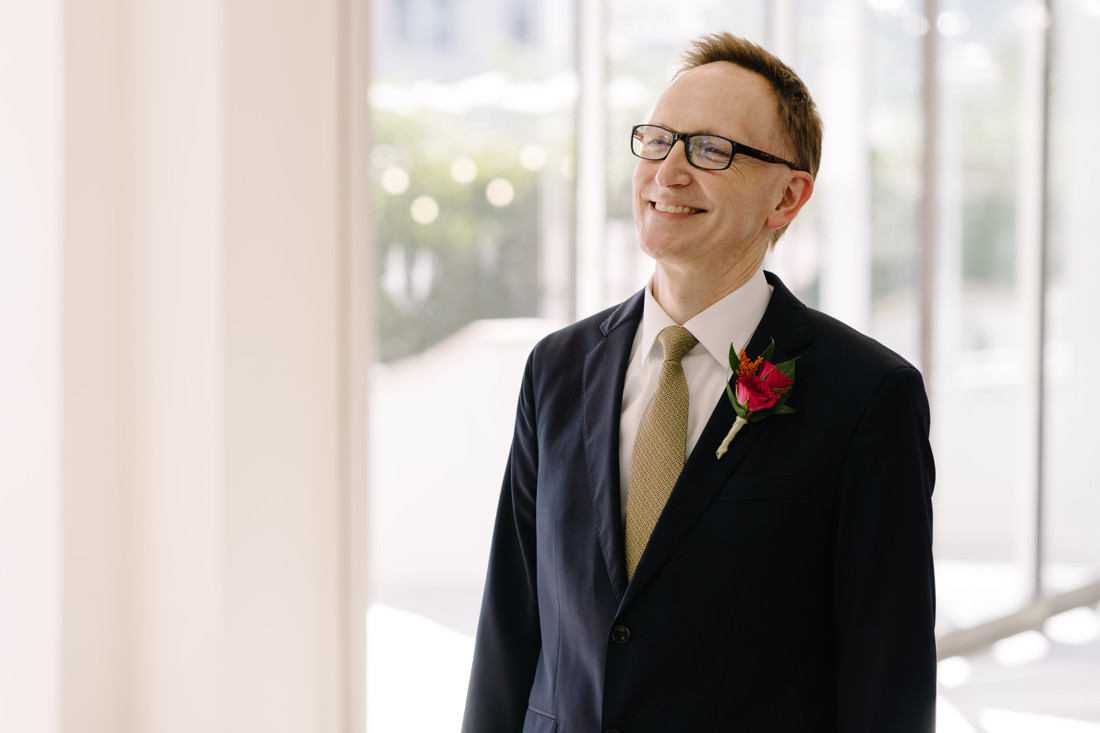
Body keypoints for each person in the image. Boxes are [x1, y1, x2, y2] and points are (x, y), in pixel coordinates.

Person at [462, 32, 936, 732]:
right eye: (658, 141)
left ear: (787, 197)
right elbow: (509, 627)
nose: (670, 172)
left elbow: (886, 681)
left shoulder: (866, 396)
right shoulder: (556, 368)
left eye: (711, 150)